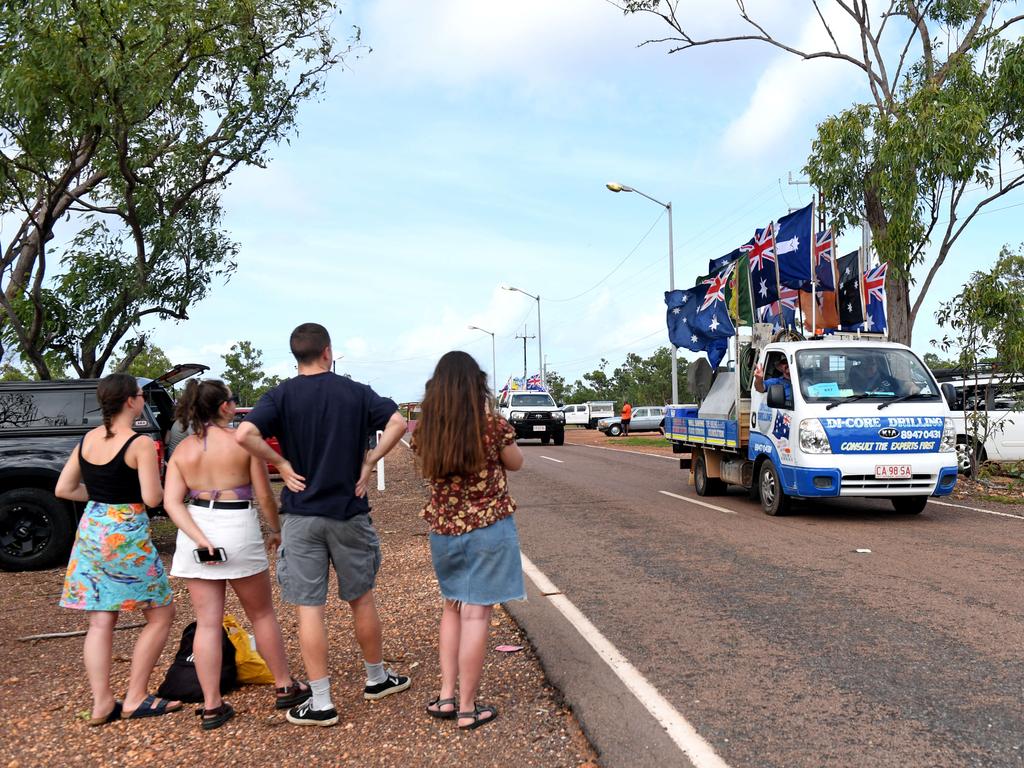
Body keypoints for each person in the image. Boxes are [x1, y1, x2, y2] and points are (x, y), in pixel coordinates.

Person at [236, 323, 409, 727]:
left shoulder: (280, 395)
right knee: (361, 598)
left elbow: (245, 433)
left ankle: (321, 702)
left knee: (309, 608)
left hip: (300, 516)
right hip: (349, 511)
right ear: (328, 352)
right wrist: (369, 461)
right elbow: (398, 422)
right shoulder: (355, 392)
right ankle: (376, 679)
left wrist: (279, 463)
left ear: (296, 356)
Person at [164, 379, 311, 730]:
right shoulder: (243, 444)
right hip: (237, 525)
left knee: (208, 622)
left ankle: (213, 704)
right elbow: (263, 496)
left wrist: (200, 538)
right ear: (224, 408)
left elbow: (171, 502)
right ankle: (284, 685)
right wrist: (277, 530)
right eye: (232, 400)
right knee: (261, 613)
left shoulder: (182, 451)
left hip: (197, 525)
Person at [55, 373, 181, 724]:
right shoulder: (138, 443)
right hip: (126, 532)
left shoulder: (87, 440)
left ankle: (101, 703)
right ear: (130, 401)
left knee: (100, 621)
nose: (143, 399)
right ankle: (136, 696)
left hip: (93, 528)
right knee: (160, 614)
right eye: (141, 395)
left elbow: (64, 489)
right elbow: (152, 498)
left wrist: (100, 499)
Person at [412, 351, 526, 730]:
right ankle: (467, 707)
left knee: (452, 608)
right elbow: (516, 463)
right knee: (477, 613)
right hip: (488, 529)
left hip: (444, 532)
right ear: (476, 386)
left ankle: (446, 696)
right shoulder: (492, 426)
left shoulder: (427, 429)